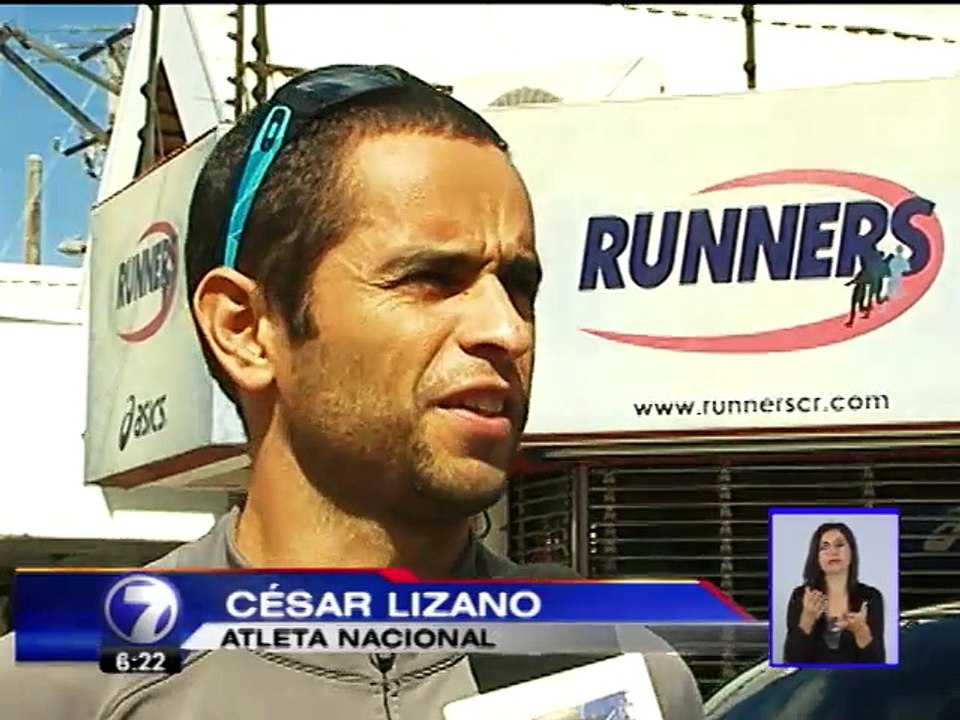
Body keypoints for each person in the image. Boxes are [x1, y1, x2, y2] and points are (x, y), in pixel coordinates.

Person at [0, 64, 704, 719]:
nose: (506, 330)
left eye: (519, 286)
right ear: (246, 329)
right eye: (431, 278)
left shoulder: (624, 669)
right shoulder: (61, 684)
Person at [782, 522, 886, 665]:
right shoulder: (802, 596)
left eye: (839, 545)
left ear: (851, 552)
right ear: (816, 557)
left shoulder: (870, 597)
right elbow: (791, 660)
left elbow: (877, 662)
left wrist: (861, 631)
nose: (833, 552)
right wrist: (808, 618)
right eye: (824, 547)